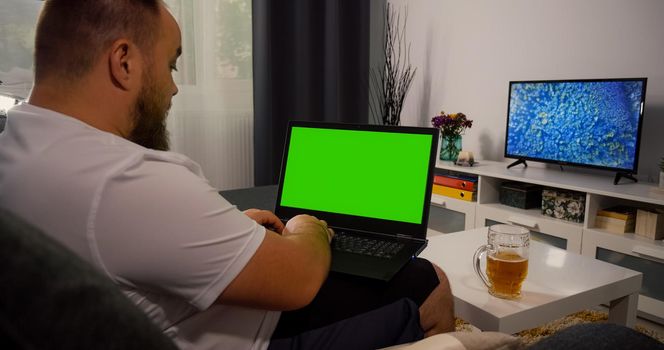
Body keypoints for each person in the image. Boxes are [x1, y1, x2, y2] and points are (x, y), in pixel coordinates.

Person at [0, 0, 454, 349]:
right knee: (429, 280)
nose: (175, 85)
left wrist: (231, 231)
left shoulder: (19, 151)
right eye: (172, 63)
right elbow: (298, 278)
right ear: (124, 61)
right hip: (252, 335)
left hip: (177, 313)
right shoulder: (124, 178)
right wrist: (306, 227)